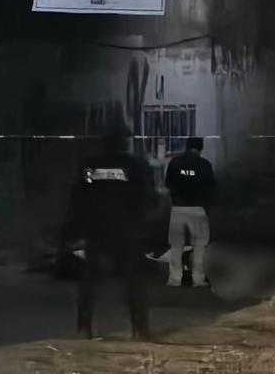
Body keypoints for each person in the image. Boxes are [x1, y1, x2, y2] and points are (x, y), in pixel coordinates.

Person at [65, 130, 154, 341]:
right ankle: (140, 329)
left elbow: (79, 196)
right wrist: (138, 222)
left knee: (88, 282)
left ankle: (84, 328)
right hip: (126, 229)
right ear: (123, 143)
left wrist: (76, 229)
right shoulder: (135, 165)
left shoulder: (90, 165)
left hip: (96, 229)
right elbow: (145, 197)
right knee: (133, 282)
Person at [164, 136, 214, 287]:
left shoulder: (175, 162)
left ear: (187, 146)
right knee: (199, 246)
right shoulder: (205, 165)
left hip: (178, 209)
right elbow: (211, 188)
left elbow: (168, 184)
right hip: (198, 209)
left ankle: (174, 279)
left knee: (176, 246)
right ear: (200, 148)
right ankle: (198, 279)